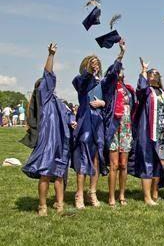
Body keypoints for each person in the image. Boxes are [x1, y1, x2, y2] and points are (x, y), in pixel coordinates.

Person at [20, 43, 76, 216]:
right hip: (47, 141)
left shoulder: (57, 101)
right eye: (45, 84)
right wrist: (51, 55)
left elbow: (67, 115)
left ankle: (59, 205)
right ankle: (42, 206)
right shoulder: (43, 99)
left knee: (59, 174)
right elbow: (49, 74)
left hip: (60, 142)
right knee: (45, 173)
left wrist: (71, 122)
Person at [72, 41, 125, 209]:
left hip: (99, 122)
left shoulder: (102, 83)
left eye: (97, 63)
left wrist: (121, 54)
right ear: (86, 65)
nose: (96, 65)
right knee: (83, 157)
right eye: (92, 62)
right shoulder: (82, 81)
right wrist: (89, 72)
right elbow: (82, 82)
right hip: (85, 120)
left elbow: (112, 76)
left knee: (96, 158)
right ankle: (79, 194)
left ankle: (92, 193)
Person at [129, 57, 164, 205]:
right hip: (147, 132)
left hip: (162, 133)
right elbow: (140, 88)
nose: (153, 75)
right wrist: (144, 70)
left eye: (155, 73)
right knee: (148, 162)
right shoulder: (146, 92)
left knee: (160, 163)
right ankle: (147, 197)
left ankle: (155, 192)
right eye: (150, 74)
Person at [103, 67, 136, 207]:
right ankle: (111, 197)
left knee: (123, 165)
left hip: (126, 128)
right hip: (114, 128)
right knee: (114, 165)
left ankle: (121, 195)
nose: (121, 71)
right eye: (118, 70)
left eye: (122, 70)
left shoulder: (128, 89)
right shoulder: (110, 87)